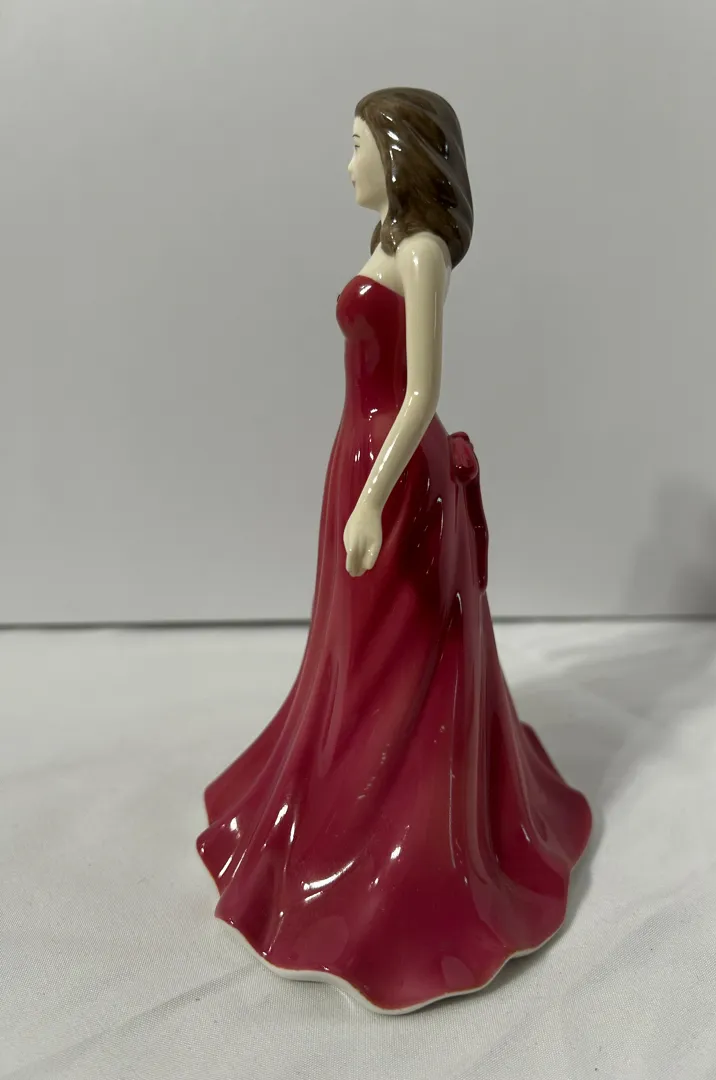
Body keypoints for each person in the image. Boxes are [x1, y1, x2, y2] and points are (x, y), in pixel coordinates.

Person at [197, 87, 592, 1014]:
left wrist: (375, 500)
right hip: (358, 458)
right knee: (354, 649)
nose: (347, 165)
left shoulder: (420, 253)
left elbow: (422, 392)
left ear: (398, 153)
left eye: (357, 146)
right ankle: (339, 793)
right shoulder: (384, 238)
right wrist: (356, 483)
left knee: (406, 655)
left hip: (395, 473)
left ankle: (404, 843)